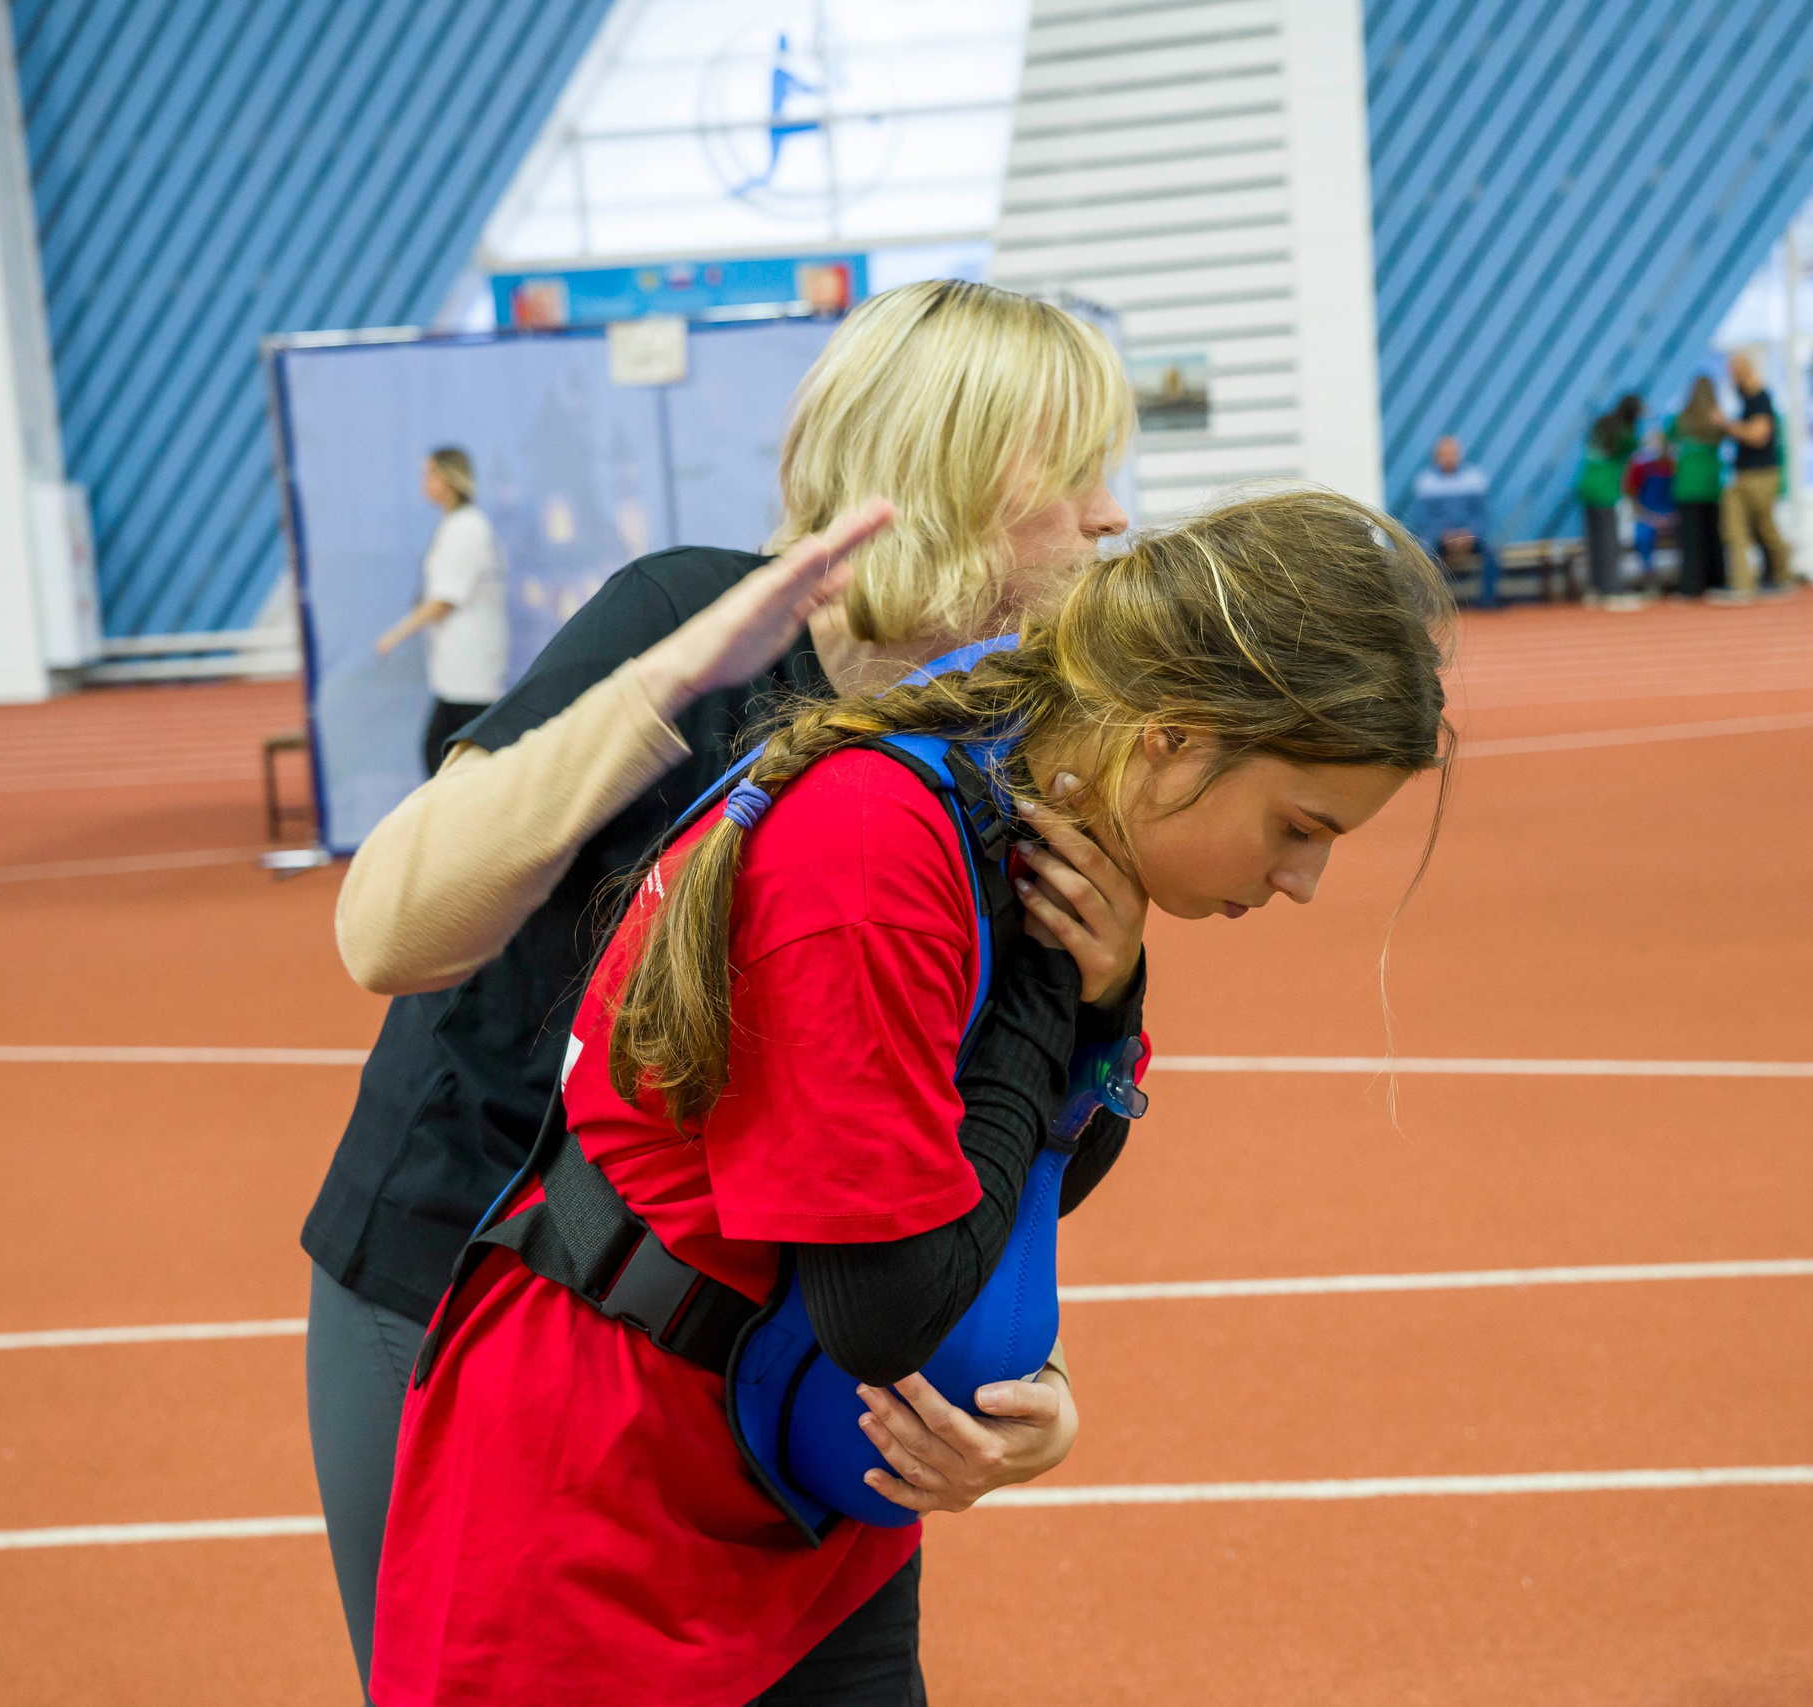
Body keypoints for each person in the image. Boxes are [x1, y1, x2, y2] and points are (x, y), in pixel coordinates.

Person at [368, 486, 1453, 1706]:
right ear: (1172, 736)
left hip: (799, 1492)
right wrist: (1049, 1007)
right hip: (593, 1509)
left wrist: (1105, 1005)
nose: (1304, 881)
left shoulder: (1036, 783)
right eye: (1299, 827)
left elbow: (1030, 1176)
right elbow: (885, 1310)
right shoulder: (875, 851)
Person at [303, 279, 1138, 1700]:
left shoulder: (986, 731)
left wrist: (1028, 1382)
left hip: (752, 1351)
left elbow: (956, 1138)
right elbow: (386, 933)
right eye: (1078, 474)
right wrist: (666, 688)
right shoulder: (685, 615)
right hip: (464, 1281)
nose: (1113, 517)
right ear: (963, 470)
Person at [376, 447, 506, 774]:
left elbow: (443, 600)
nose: (423, 482)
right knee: (443, 753)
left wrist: (394, 636)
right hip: (455, 670)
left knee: (453, 755)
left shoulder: (467, 528)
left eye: (429, 473)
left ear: (449, 479)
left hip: (471, 667)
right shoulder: (453, 524)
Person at [1716, 350, 1793, 602]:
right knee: (1734, 528)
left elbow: (1758, 435)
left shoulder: (1761, 398)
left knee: (1765, 529)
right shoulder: (1746, 400)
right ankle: (1742, 584)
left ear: (1743, 370)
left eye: (1733, 372)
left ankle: (1782, 576)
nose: (1730, 377)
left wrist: (1726, 425)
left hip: (1761, 475)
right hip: (1741, 474)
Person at [1409, 434, 1501, 608]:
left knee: (1492, 553)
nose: (1449, 457)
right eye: (1445, 454)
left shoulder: (1475, 478)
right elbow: (1423, 519)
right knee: (1425, 555)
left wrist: (1470, 534)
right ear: (1437, 457)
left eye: (1452, 453)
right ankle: (1433, 604)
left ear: (1459, 454)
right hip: (1439, 538)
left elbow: (1483, 515)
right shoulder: (1426, 482)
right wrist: (1444, 535)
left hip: (1470, 536)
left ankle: (1488, 601)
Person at [1575, 393, 1643, 609]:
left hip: (1588, 485)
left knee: (1595, 542)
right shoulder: (1624, 432)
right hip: (1605, 489)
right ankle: (1612, 590)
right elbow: (1634, 447)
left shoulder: (1603, 423)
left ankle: (1596, 589)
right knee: (1608, 542)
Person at [1667, 377, 1729, 598]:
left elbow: (1665, 445)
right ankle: (1718, 583)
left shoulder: (1680, 419)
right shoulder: (1717, 418)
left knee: (1690, 541)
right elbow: (1728, 435)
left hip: (1687, 486)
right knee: (1714, 538)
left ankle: (1691, 586)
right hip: (1711, 485)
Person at [1627, 427, 1676, 590]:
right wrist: (1648, 516)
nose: (1656, 447)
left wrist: (1672, 516)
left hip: (1671, 515)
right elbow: (1631, 495)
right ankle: (1649, 578)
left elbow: (1678, 496)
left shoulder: (1673, 465)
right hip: (1647, 515)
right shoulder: (1639, 466)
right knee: (1643, 537)